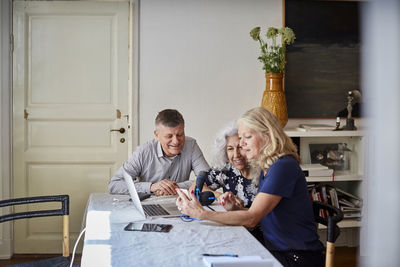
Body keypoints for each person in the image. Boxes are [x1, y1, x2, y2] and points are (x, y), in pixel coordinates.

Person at [176, 107, 324, 267]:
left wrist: (201, 213)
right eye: (240, 138)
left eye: (247, 137)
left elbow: (252, 219)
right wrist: (234, 210)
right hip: (275, 251)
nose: (242, 144)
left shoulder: (283, 166)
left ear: (267, 135)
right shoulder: (268, 167)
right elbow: (261, 217)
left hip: (296, 257)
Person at [108, 109, 209, 196]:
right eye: (169, 136)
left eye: (180, 134)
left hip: (181, 205)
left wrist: (175, 187)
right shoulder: (143, 152)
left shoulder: (191, 145)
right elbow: (115, 185)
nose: (176, 141)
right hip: (148, 206)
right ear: (157, 135)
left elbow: (211, 180)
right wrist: (151, 187)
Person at [190, 121, 259, 208]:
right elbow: (194, 187)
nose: (236, 155)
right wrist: (220, 196)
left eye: (240, 147)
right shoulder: (227, 170)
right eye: (230, 149)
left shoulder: (264, 172)